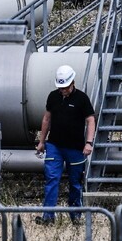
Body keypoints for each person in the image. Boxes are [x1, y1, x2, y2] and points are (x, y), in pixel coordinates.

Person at [35, 65, 96, 225]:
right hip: (54, 146)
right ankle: (48, 217)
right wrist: (42, 141)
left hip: (75, 148)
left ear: (73, 83)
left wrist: (89, 143)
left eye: (66, 87)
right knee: (52, 179)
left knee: (75, 183)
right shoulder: (52, 97)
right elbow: (46, 119)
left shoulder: (82, 98)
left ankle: (76, 217)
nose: (63, 90)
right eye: (61, 88)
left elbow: (90, 120)